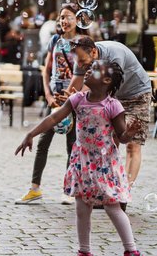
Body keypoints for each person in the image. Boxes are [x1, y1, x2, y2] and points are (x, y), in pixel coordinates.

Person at [17, 60, 146, 256]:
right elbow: (54, 117)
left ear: (106, 80)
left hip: (105, 164)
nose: (87, 70)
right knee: (81, 206)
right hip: (83, 162)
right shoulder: (77, 99)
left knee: (112, 206)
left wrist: (130, 134)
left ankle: (132, 252)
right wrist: (31, 133)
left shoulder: (113, 105)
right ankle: (85, 254)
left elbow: (122, 137)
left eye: (94, 69)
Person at [61, 35, 151, 192]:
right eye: (77, 62)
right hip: (115, 98)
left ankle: (124, 192)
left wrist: (80, 97)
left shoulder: (114, 55)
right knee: (109, 143)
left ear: (94, 52)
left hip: (137, 95)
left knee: (132, 145)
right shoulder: (80, 54)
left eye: (82, 61)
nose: (80, 65)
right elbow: (77, 80)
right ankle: (106, 189)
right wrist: (68, 97)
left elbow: (106, 87)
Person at [17, 4, 82, 205]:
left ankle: (69, 191)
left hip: (73, 101)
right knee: (43, 143)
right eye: (62, 17)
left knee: (72, 146)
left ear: (77, 20)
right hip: (54, 100)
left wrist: (70, 96)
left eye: (68, 17)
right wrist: (47, 94)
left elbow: (85, 74)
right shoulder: (55, 40)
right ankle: (35, 188)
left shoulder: (83, 43)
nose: (64, 21)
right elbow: (46, 70)